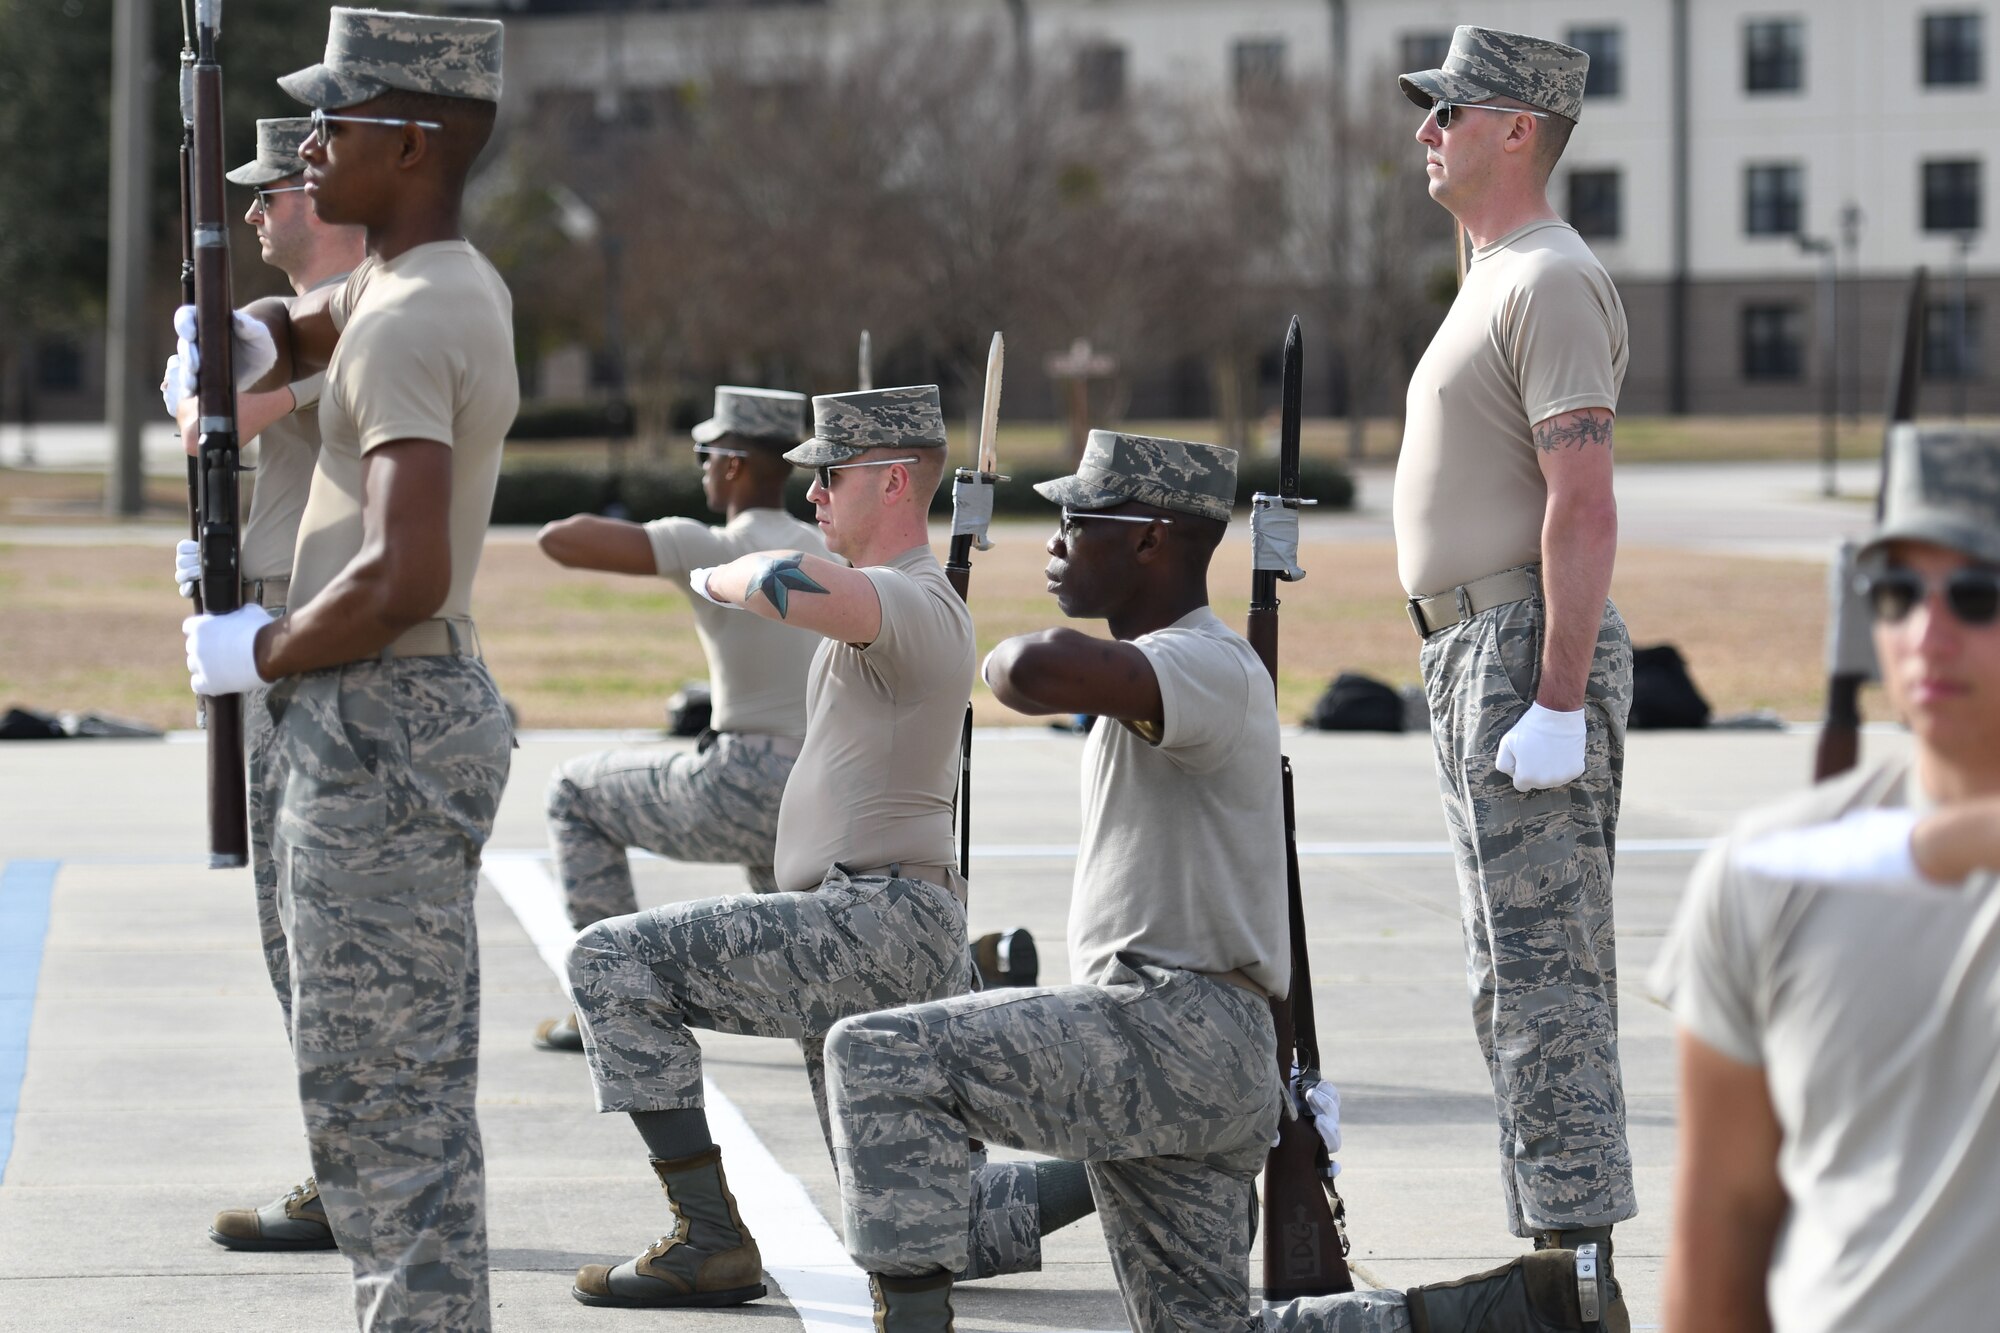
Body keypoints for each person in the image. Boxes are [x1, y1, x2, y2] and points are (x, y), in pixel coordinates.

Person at [823, 429, 1608, 1333]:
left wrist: (972, 647)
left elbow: (1033, 669)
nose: (1054, 540)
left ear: (1150, 538)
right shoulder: (1188, 669)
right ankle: (1517, 1309)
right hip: (1204, 1053)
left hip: (1169, 1028)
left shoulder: (1201, 661)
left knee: (875, 1053)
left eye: (1078, 521)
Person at [563, 385, 1086, 1309]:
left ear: (891, 483)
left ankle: (709, 1238)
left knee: (610, 961)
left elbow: (774, 581)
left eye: (828, 477)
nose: (812, 497)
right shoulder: (899, 602)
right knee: (921, 1222)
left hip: (866, 923)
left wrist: (708, 571)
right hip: (886, 923)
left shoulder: (908, 600)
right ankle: (1142, 1163)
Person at [177, 9, 515, 1329]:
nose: (307, 150)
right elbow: (314, 325)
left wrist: (260, 644)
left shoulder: (411, 317)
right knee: (388, 1096)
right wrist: (257, 335)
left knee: (382, 1109)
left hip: (381, 716)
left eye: (335, 124)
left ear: (414, 143)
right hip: (384, 717)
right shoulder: (406, 291)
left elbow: (401, 573)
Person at [1391, 27, 1634, 1319]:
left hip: (1518, 653)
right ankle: (1554, 1264)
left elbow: (1582, 505)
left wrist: (1555, 697)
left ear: (1519, 129)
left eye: (1450, 111)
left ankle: (1581, 1282)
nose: (1427, 130)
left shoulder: (1549, 279)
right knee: (1509, 983)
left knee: (1548, 984)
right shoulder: (1492, 275)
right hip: (1467, 654)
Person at [1653, 427, 2000, 1333]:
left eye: (1975, 594)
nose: (1929, 632)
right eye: (1895, 593)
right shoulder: (1770, 875)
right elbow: (1721, 1226)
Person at [163, 114, 366, 1257]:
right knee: (290, 937)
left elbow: (216, 420)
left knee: (323, 941)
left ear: (320, 196)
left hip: (317, 644)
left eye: (271, 193)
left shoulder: (354, 323)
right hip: (274, 637)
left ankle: (359, 1173)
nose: (251, 213)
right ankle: (342, 1168)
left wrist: (195, 377)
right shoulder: (297, 324)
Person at [527, 385, 824, 1051]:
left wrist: (674, 543)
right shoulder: (829, 548)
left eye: (705, 452)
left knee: (574, 792)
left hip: (739, 781)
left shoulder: (712, 545)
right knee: (804, 949)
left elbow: (560, 541)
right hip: (818, 791)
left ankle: (610, 1003)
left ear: (736, 464)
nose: (701, 467)